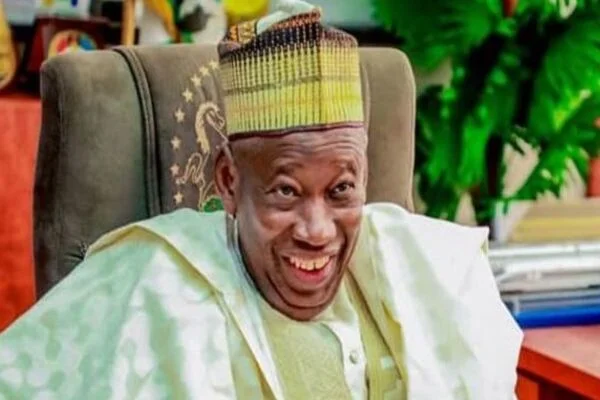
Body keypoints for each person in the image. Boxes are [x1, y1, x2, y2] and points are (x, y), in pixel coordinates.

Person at [0, 1, 522, 399]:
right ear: (229, 181)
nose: (317, 230)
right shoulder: (150, 285)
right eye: (286, 192)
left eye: (341, 190)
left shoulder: (425, 268)